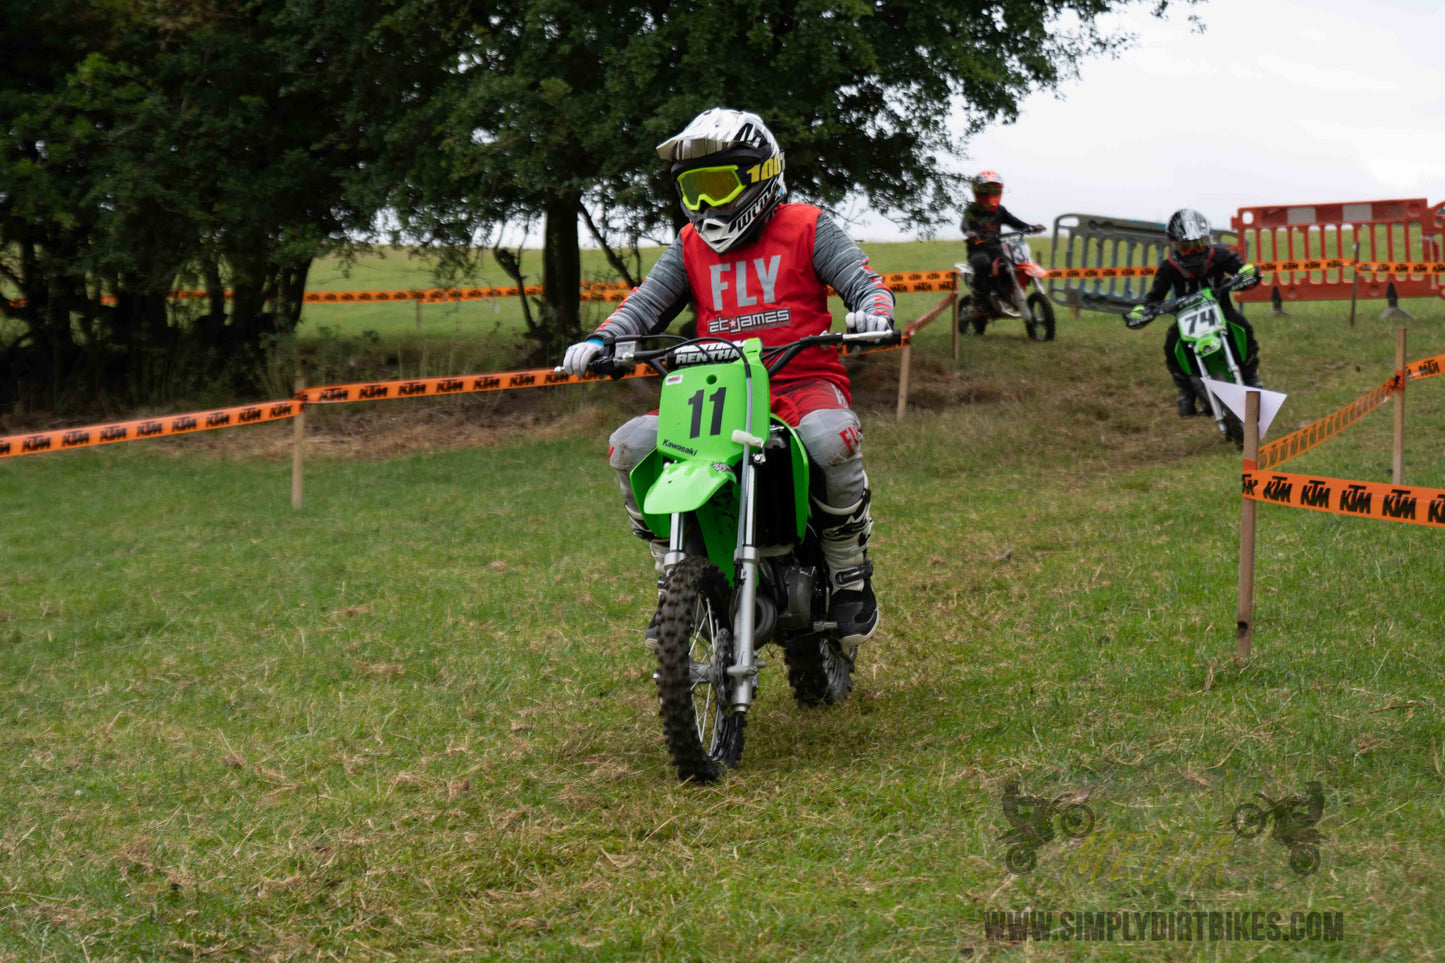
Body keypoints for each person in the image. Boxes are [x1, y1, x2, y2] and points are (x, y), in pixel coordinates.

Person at [559, 107, 895, 648]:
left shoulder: (807, 225)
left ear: (760, 176)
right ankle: (675, 579)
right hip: (713, 391)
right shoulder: (689, 245)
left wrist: (874, 309)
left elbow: (863, 281)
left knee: (831, 441)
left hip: (800, 380)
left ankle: (848, 572)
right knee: (629, 448)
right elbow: (644, 307)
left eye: (717, 185)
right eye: (693, 190)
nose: (704, 205)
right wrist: (602, 342)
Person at [1126, 208, 1263, 416]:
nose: (1193, 251)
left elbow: (1239, 266)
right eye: (1186, 247)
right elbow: (1154, 297)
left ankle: (1251, 376)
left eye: (1197, 244)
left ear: (1206, 240)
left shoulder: (1219, 256)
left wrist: (1246, 273)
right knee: (1171, 344)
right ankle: (1185, 391)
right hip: (1185, 319)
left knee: (1243, 327)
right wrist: (1142, 312)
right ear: (1174, 245)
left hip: (1221, 310)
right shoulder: (1169, 267)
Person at [959, 170, 1045, 331]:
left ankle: (1006, 295)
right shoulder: (972, 209)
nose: (990, 194)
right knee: (983, 265)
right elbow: (965, 225)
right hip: (978, 250)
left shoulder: (1000, 210)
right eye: (986, 191)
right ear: (978, 192)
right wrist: (970, 233)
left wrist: (1031, 227)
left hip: (998, 249)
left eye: (994, 190)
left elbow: (1016, 222)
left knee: (1012, 266)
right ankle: (979, 302)